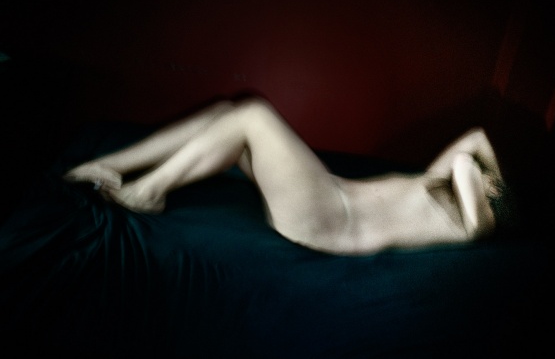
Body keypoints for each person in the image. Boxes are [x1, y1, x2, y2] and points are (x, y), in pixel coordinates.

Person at [63, 96, 510, 255]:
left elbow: (466, 164)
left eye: (496, 183)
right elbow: (475, 138)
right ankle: (116, 164)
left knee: (254, 116)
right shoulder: (438, 184)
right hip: (329, 195)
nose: (486, 178)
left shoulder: (477, 224)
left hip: (332, 222)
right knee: (229, 111)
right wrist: (491, 171)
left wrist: (490, 182)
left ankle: (148, 191)